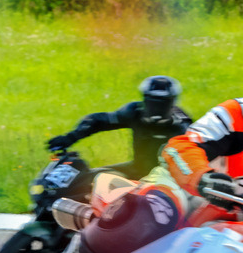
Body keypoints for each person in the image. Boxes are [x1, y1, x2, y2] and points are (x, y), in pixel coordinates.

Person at [26, 96, 242, 253]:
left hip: (235, 225)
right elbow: (181, 146)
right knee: (157, 212)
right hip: (191, 189)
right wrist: (202, 177)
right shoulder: (237, 112)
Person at [46, 76, 192, 179]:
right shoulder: (133, 113)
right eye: (153, 102)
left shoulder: (182, 125)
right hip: (137, 170)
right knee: (86, 179)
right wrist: (70, 137)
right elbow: (98, 121)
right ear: (145, 100)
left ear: (172, 103)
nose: (157, 108)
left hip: (170, 181)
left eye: (162, 103)